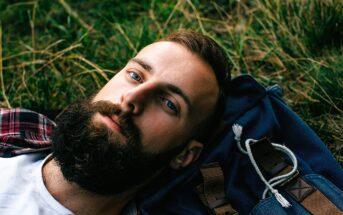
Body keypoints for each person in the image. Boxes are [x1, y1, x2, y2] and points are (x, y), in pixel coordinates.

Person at [0, 29, 231, 215]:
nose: (131, 99)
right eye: (135, 75)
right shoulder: (16, 127)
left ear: (184, 155)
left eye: (169, 103)